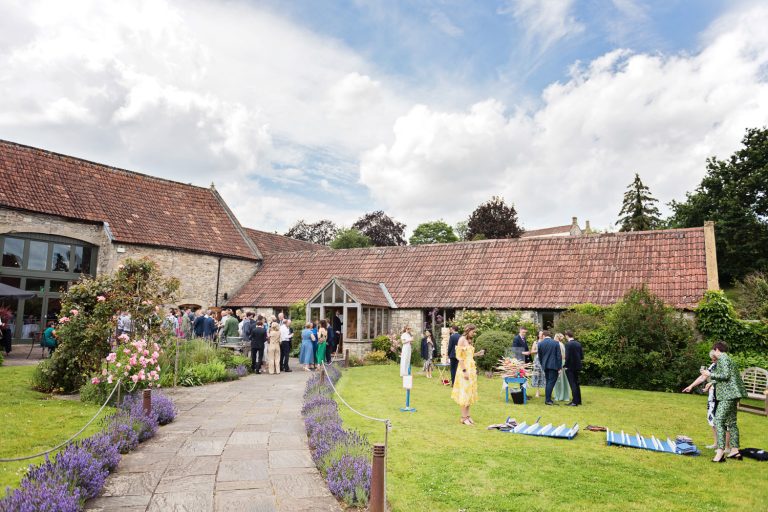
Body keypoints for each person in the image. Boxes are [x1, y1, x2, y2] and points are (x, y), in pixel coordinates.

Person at [701, 342, 747, 462]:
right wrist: (712, 382)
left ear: (716, 349)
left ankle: (720, 452)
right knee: (732, 422)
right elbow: (730, 378)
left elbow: (725, 375)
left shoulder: (722, 359)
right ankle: (735, 451)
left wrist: (709, 374)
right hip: (733, 394)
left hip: (727, 395)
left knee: (718, 420)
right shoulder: (729, 359)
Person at [683, 350, 730, 450]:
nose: (713, 362)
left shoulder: (725, 366)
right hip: (712, 397)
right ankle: (716, 443)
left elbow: (725, 380)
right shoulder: (713, 366)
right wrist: (691, 386)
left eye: (715, 360)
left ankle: (726, 447)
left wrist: (712, 382)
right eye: (712, 360)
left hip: (722, 397)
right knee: (712, 419)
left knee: (724, 422)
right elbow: (703, 377)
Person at [451, 324, 485, 425]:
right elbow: (460, 357)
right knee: (464, 392)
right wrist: (464, 371)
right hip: (464, 369)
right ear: (468, 330)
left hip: (471, 369)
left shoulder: (469, 341)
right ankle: (463, 417)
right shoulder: (461, 340)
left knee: (469, 392)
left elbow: (469, 355)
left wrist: (478, 353)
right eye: (473, 332)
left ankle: (467, 415)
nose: (474, 334)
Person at [537, 330, 562, 405]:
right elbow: (559, 356)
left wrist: (542, 365)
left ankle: (548, 399)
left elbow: (540, 357)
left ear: (544, 336)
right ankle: (548, 400)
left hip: (545, 365)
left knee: (548, 382)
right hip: (553, 366)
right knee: (550, 382)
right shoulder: (555, 343)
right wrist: (559, 367)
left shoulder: (540, 344)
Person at [564, 330, 583, 406]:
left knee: (573, 384)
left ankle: (574, 402)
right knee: (576, 383)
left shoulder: (568, 344)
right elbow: (582, 356)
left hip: (570, 367)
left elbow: (567, 357)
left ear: (567, 335)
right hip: (577, 366)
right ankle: (578, 400)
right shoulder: (578, 344)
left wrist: (565, 365)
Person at [553, 333, 571, 402]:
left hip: (559, 362)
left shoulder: (558, 344)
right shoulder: (562, 344)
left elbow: (559, 355)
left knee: (558, 380)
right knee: (563, 379)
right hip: (563, 362)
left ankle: (559, 395)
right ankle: (564, 395)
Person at [529, 331, 545, 399]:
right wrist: (538, 351)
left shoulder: (545, 342)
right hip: (537, 361)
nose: (541, 335)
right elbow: (532, 351)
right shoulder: (536, 342)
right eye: (540, 334)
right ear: (538, 335)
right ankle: (537, 392)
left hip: (544, 360)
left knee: (544, 375)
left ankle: (547, 391)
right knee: (537, 375)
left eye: (542, 334)